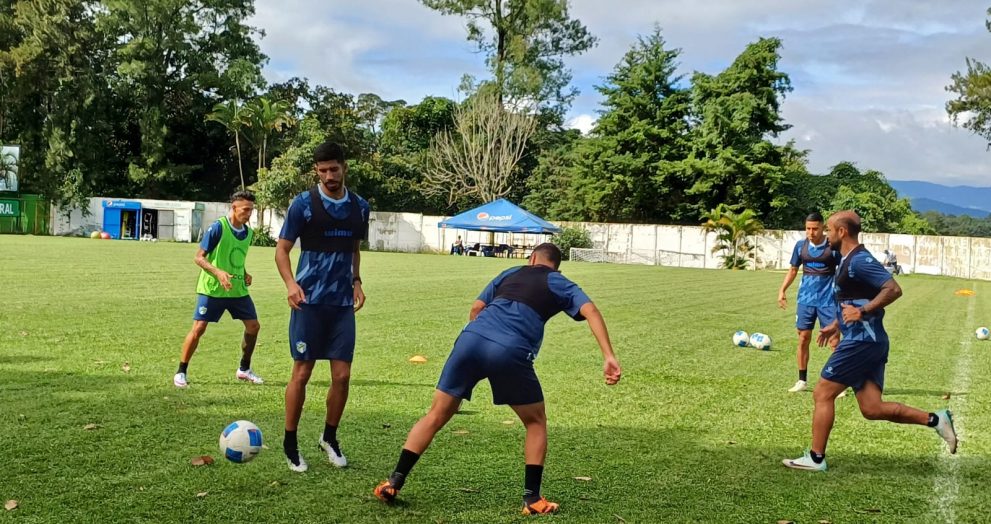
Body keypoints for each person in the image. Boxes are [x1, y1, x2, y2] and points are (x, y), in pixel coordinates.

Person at [372, 243, 622, 515]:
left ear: (533, 258)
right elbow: (591, 311)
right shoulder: (559, 281)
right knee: (535, 421)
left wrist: (480, 339)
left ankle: (393, 481)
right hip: (510, 349)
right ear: (555, 266)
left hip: (470, 340)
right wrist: (608, 355)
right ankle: (532, 499)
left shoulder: (511, 272)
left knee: (435, 415)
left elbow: (477, 308)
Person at [782, 210, 957, 472]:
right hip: (868, 341)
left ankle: (816, 458)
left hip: (862, 343)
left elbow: (893, 289)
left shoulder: (859, 261)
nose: (827, 234)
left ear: (842, 232)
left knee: (822, 392)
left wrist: (861, 312)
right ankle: (936, 420)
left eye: (829, 229)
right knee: (872, 408)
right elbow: (857, 299)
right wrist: (836, 324)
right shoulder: (846, 259)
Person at [275, 142, 371, 473]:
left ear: (345, 167)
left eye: (334, 169)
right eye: (322, 170)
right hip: (309, 302)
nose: (329, 175)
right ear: (316, 171)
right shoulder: (303, 205)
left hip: (341, 303)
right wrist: (291, 284)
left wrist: (357, 281)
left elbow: (354, 248)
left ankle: (329, 437)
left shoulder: (360, 207)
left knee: (342, 375)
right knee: (302, 371)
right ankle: (290, 442)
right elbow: (282, 251)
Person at [173, 191, 262, 388]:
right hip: (213, 288)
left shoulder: (248, 233)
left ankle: (244, 369)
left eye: (251, 210)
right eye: (246, 210)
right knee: (199, 328)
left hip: (236, 289)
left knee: (253, 326)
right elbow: (199, 257)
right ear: (234, 208)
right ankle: (181, 372)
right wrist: (219, 273)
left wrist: (245, 272)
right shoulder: (218, 228)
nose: (249, 214)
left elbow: (235, 257)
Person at [777, 212, 841, 393]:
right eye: (808, 229)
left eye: (815, 229)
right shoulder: (800, 246)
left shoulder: (832, 246)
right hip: (805, 300)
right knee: (803, 338)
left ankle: (839, 383)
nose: (811, 232)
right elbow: (793, 270)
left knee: (834, 341)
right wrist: (782, 290)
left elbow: (844, 268)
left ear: (823, 228)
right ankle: (802, 381)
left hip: (828, 300)